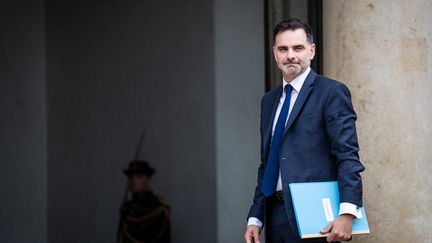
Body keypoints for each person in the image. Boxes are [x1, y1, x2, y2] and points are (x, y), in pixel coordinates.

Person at [244, 18, 365, 243]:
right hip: (275, 216)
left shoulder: (331, 92)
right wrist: (256, 218)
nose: (290, 55)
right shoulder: (268, 101)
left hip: (317, 218)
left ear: (311, 51)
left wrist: (348, 212)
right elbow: (268, 163)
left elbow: (347, 155)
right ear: (274, 53)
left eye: (297, 48)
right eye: (283, 49)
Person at [117, 160, 170, 243]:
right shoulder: (128, 207)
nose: (133, 180)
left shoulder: (158, 208)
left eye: (139, 176)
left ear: (148, 179)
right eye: (131, 177)